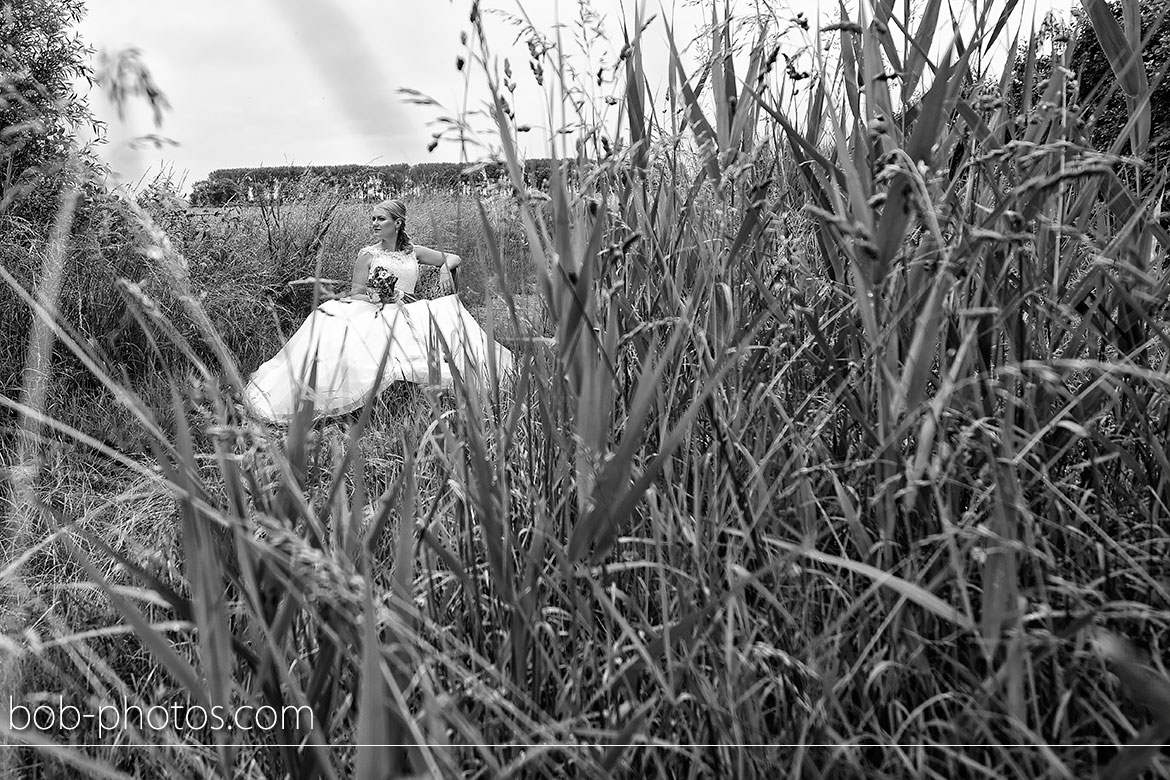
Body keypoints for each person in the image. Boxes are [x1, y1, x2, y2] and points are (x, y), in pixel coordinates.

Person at [244, 199, 514, 422]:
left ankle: (474, 375)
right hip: (377, 307)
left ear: (397, 223)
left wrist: (444, 268)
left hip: (409, 308)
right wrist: (379, 295)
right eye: (373, 219)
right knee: (329, 320)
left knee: (447, 307)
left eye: (381, 219)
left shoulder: (414, 252)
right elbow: (356, 292)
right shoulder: (368, 254)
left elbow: (453, 257)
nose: (374, 224)